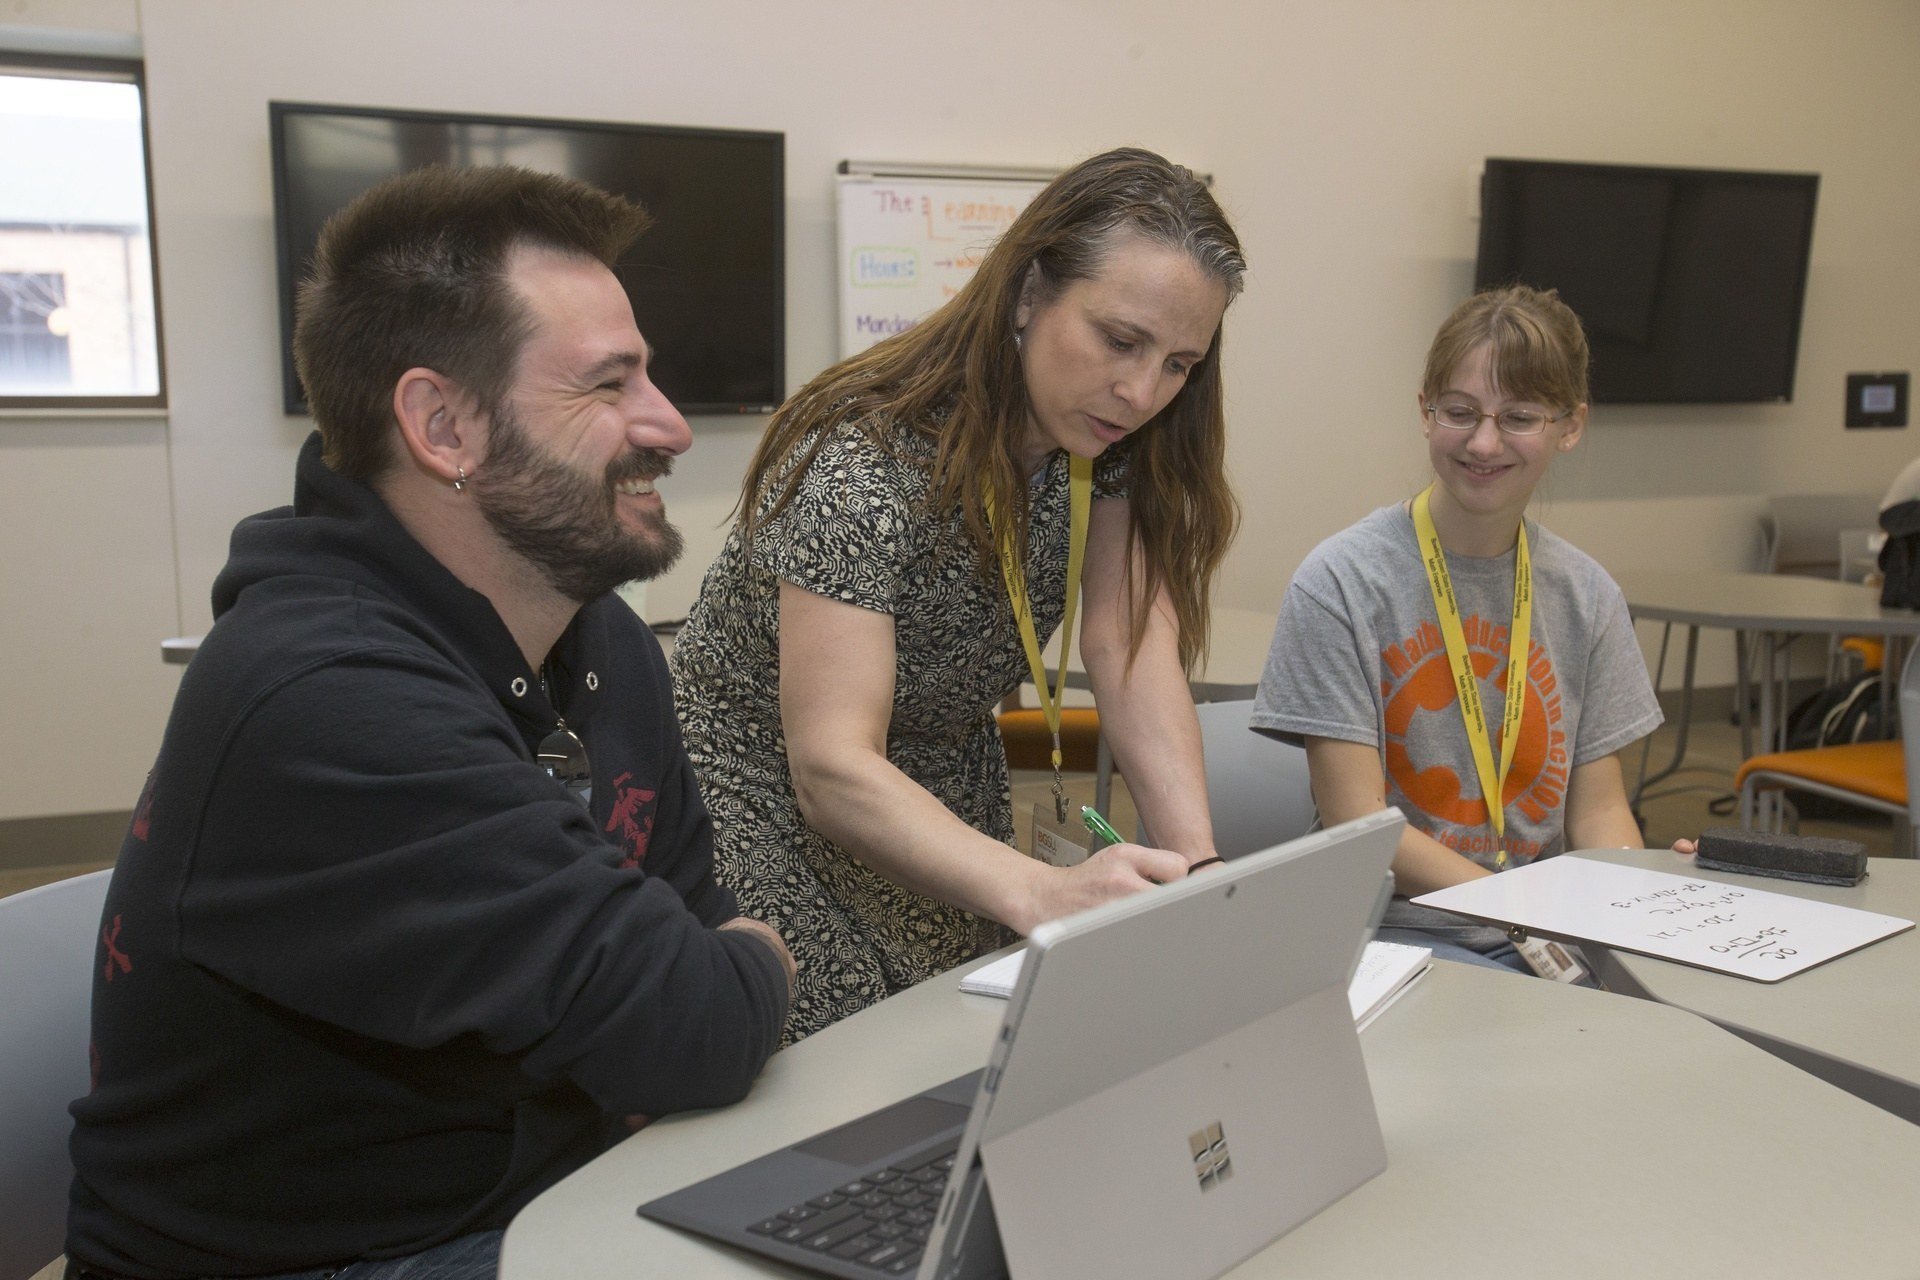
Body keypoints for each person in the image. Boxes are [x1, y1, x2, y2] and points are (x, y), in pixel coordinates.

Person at [64, 166, 794, 1280]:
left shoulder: (601, 640)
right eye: (609, 386)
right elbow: (692, 1017)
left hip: (538, 1195)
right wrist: (721, 982)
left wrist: (703, 987)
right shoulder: (327, 697)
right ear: (443, 425)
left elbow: (691, 952)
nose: (672, 425)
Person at [670, 147, 1244, 1040]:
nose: (1141, 391)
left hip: (936, 783)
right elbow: (830, 765)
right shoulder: (858, 465)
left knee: (968, 1041)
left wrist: (1202, 871)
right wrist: (1042, 889)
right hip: (769, 793)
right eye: (1120, 341)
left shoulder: (1112, 445)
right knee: (842, 1055)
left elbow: (1129, 644)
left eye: (1179, 364)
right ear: (1026, 297)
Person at [1252, 285, 1662, 972]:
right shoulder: (1343, 582)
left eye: (1520, 417)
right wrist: (1526, 906)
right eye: (1460, 412)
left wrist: (1634, 898)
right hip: (1393, 936)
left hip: (1550, 935)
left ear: (1570, 425)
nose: (1484, 442)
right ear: (1425, 411)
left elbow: (1598, 813)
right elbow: (1361, 824)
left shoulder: (1586, 594)